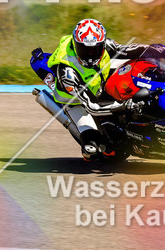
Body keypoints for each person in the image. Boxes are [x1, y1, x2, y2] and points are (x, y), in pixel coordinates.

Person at [30, 18, 148, 160]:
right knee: (92, 146)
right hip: (75, 100)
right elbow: (92, 106)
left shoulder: (104, 44)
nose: (90, 55)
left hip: (97, 82)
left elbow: (127, 49)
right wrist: (125, 106)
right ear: (76, 46)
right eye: (85, 50)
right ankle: (90, 145)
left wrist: (156, 50)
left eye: (95, 49)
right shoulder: (67, 72)